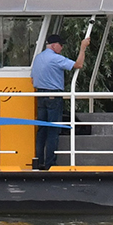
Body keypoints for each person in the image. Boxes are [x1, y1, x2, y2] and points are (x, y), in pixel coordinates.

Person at [30, 33, 89, 170]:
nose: (62, 48)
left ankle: (39, 162)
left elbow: (33, 79)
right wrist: (82, 48)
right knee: (53, 130)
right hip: (53, 96)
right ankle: (50, 163)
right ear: (54, 45)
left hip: (40, 95)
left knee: (41, 130)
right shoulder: (55, 58)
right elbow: (78, 65)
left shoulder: (38, 58)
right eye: (61, 45)